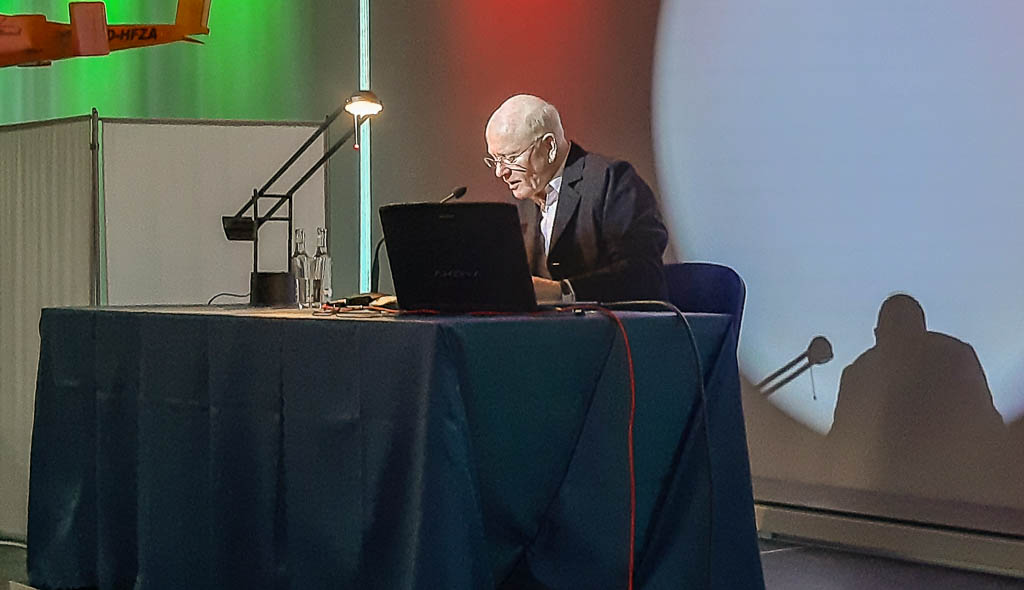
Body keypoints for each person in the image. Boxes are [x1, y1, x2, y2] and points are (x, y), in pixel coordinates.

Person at [484, 94, 668, 303]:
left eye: (510, 158)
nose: (500, 172)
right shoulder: (520, 200)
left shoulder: (612, 181)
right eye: (495, 160)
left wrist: (563, 291)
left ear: (549, 147)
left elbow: (643, 275)